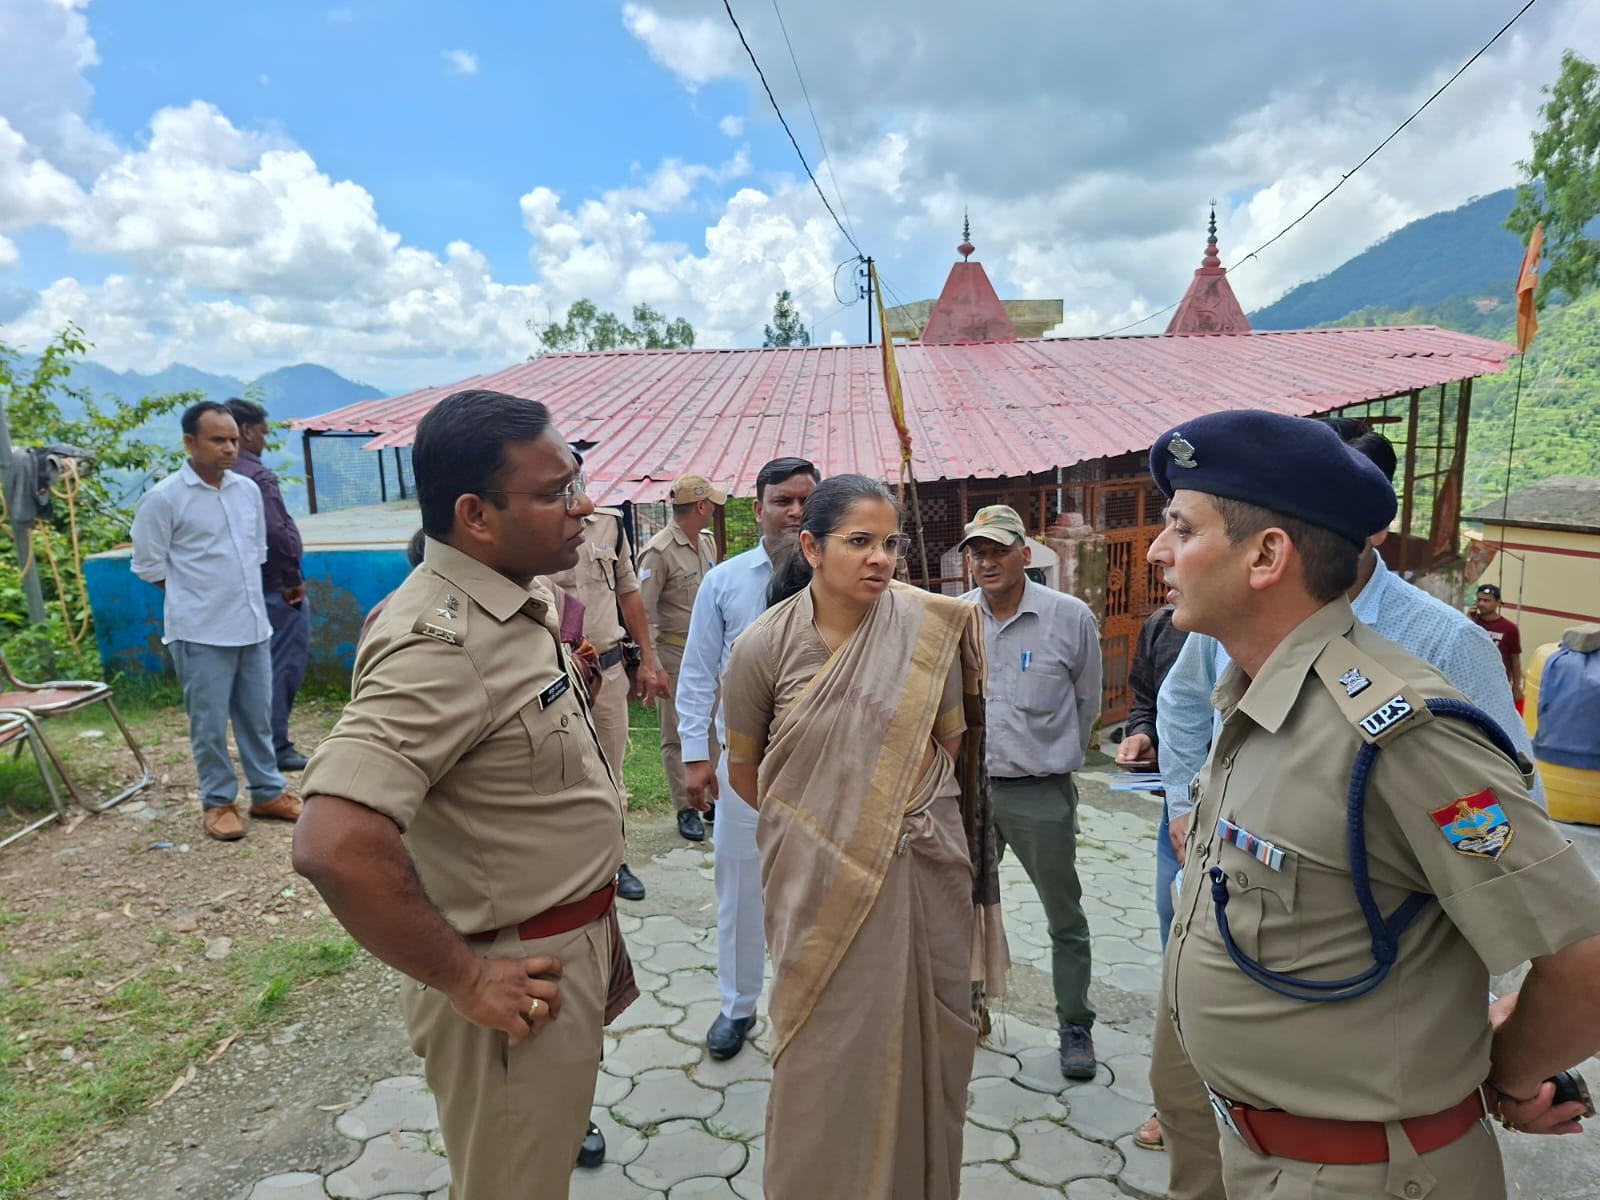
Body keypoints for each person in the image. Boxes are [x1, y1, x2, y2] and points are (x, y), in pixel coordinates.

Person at [1147, 409, 1600, 1200]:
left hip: (1355, 1174)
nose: (1158, 550)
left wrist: (1508, 1073)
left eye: (1182, 529)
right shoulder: (1254, 688)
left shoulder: (1400, 736)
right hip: (1242, 1146)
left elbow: (1581, 961)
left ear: (1266, 556)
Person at [293, 389, 632, 1200]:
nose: (583, 506)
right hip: (517, 974)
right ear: (476, 515)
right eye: (555, 492)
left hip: (565, 947)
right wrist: (468, 980)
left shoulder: (516, 599)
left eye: (576, 480)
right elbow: (334, 843)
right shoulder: (441, 644)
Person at [721, 474, 1008, 1200]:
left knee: (927, 1036)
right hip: (816, 881)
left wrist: (887, 818)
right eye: (859, 542)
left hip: (923, 869)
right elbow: (749, 777)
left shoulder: (927, 630)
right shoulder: (762, 648)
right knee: (823, 1047)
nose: (880, 558)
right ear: (811, 547)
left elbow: (948, 751)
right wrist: (833, 827)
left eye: (890, 543)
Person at [676, 455, 819, 1061]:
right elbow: (697, 671)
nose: (795, 512)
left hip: (822, 767)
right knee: (739, 887)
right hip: (743, 767)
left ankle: (810, 1003)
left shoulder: (840, 578)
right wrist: (694, 754)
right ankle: (737, 1006)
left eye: (806, 501)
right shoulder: (725, 581)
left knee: (818, 887)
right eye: (783, 500)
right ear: (758, 509)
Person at [959, 504, 1103, 1079]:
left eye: (999, 550)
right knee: (960, 907)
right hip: (971, 792)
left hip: (1040, 793)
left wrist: (1057, 757)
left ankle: (1075, 1023)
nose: (987, 562)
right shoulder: (957, 617)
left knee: (1063, 914)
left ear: (1026, 553)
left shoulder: (1069, 617)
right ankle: (967, 1010)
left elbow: (1087, 703)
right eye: (978, 552)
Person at [130, 400, 300, 842]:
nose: (229, 448)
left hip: (252, 625)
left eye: (233, 440)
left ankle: (267, 792)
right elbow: (148, 565)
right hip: (200, 631)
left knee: (257, 717)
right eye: (217, 440)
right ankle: (219, 801)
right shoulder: (165, 497)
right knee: (208, 724)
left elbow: (256, 553)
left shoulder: (247, 490)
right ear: (190, 442)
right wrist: (194, 596)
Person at [549, 479, 667, 902]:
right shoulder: (534, 529)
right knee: (558, 771)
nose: (573, 493)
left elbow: (629, 593)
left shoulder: (609, 526)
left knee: (611, 770)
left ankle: (615, 860)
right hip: (553, 672)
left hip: (608, 669)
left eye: (573, 479)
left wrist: (648, 660)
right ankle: (569, 865)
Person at [226, 398, 311, 772]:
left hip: (241, 587)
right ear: (246, 432)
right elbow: (276, 531)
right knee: (281, 665)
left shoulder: (220, 478)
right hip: (275, 587)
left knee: (251, 670)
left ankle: (259, 744)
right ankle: (276, 746)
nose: (264, 441)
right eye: (262, 432)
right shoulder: (256, 477)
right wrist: (292, 579)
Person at [638, 474, 725, 842]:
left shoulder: (706, 543)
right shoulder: (658, 553)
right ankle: (686, 808)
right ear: (701, 506)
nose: (715, 508)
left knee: (713, 728)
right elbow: (643, 613)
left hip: (708, 653)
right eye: (712, 503)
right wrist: (654, 665)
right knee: (676, 734)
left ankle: (712, 799)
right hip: (673, 654)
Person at [1470, 583, 1525, 710]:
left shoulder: (1509, 629)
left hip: (1498, 685)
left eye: (1486, 600)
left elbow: (1515, 660)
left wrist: (1516, 687)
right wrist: (1469, 619)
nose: (1481, 603)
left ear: (1498, 603)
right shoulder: (1470, 624)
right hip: (1472, 683)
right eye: (1479, 600)